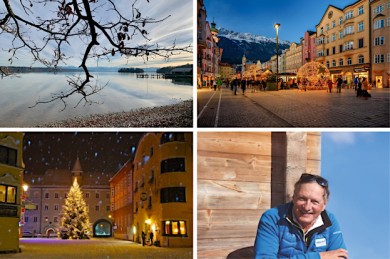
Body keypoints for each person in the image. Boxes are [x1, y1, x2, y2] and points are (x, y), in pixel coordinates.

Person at [254, 173, 348, 259]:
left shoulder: (329, 221)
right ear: (293, 198)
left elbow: (340, 256)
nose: (307, 207)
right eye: (302, 199)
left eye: (314, 202)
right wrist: (318, 257)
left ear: (324, 204)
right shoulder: (272, 218)